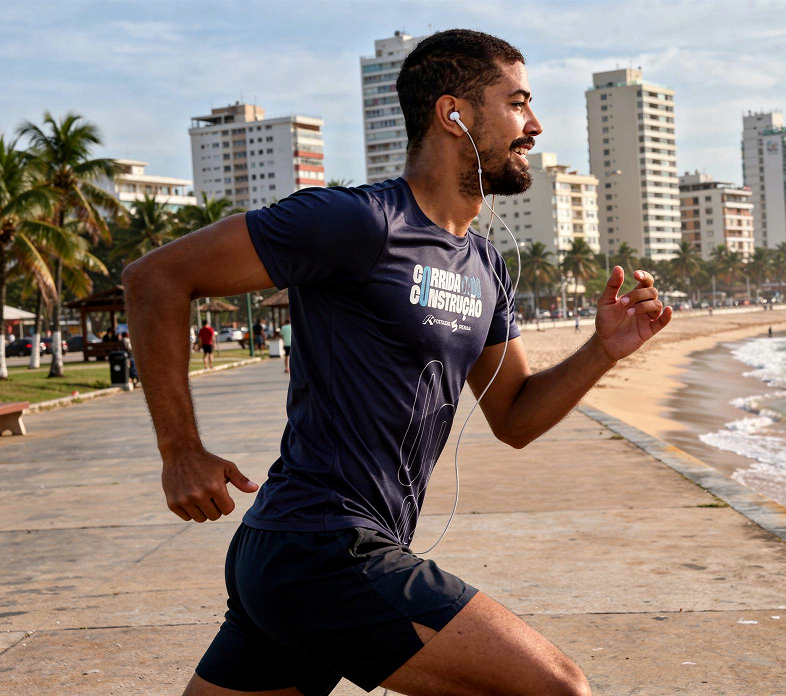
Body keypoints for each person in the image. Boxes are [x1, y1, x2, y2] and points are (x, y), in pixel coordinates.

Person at [122, 29, 672, 696]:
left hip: (303, 557)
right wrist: (181, 451)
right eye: (517, 103)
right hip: (321, 545)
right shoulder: (359, 222)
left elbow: (515, 416)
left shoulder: (485, 264)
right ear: (454, 114)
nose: (534, 125)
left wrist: (603, 350)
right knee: (557, 689)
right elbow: (155, 277)